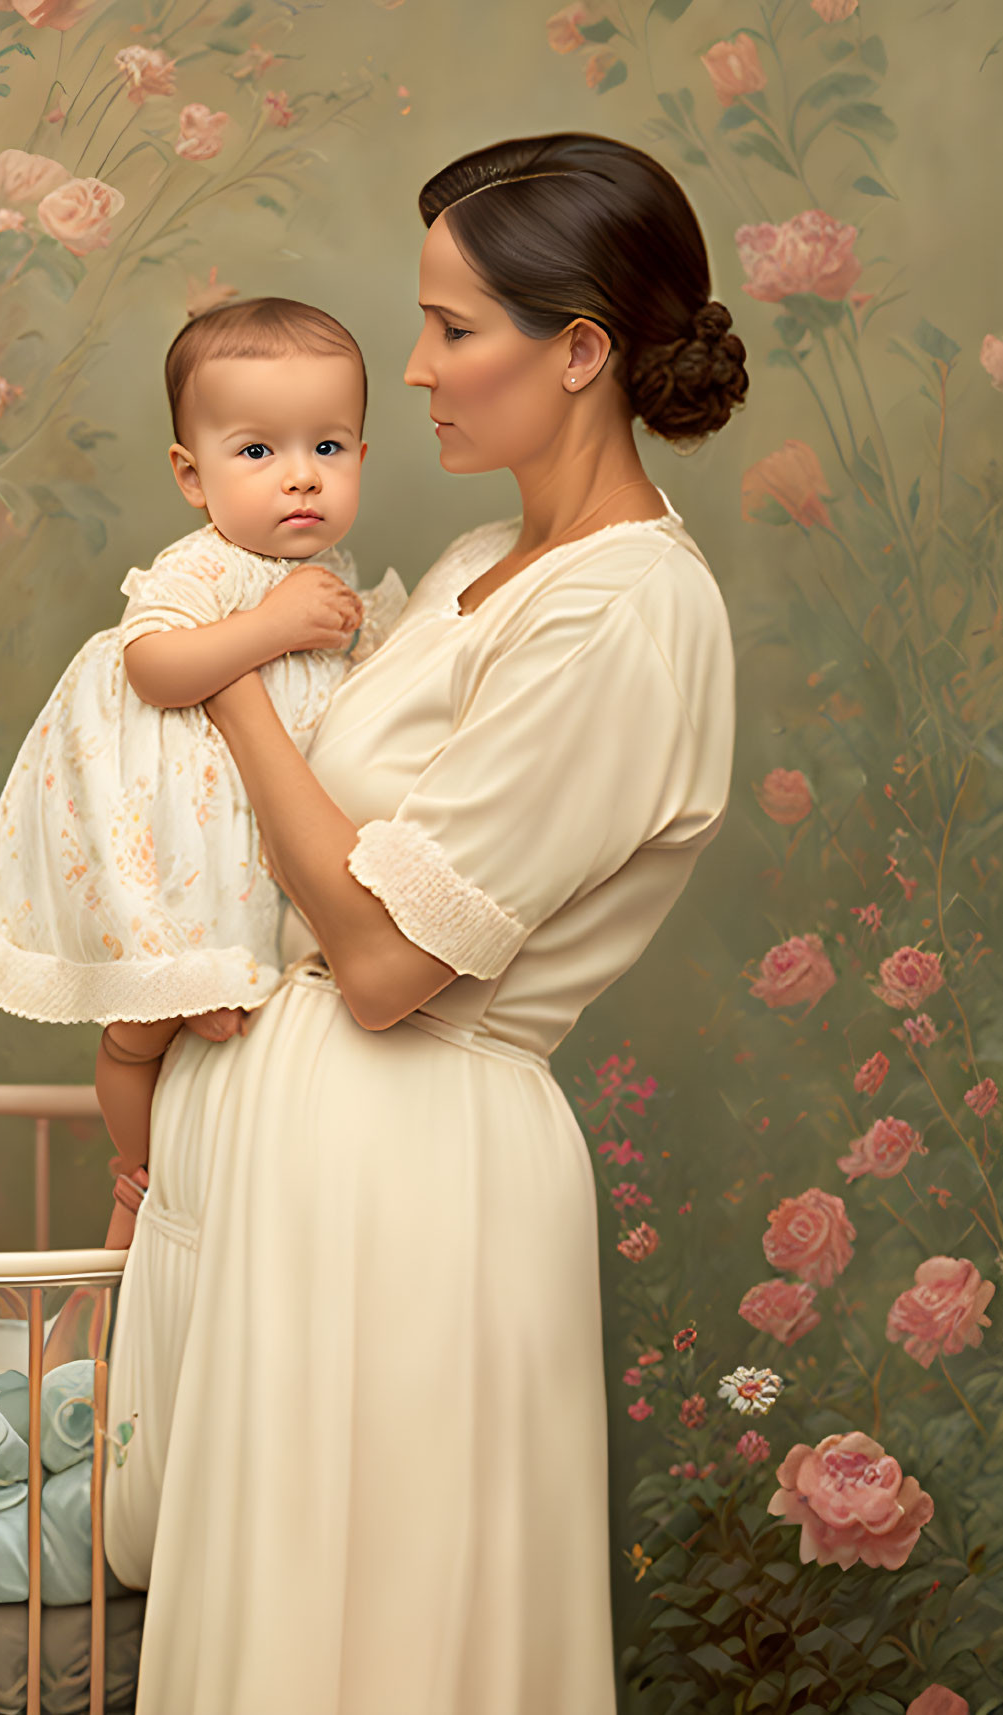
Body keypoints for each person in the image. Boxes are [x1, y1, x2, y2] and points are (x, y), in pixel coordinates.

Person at [104, 130, 745, 1714]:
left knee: (376, 1638)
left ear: (579, 348)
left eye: (456, 328)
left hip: (407, 1174)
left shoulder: (627, 613)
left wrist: (234, 678)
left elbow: (391, 963)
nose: (417, 367)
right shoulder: (478, 561)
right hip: (302, 1156)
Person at [0, 299, 407, 1246]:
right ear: (191, 477)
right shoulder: (202, 568)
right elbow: (152, 664)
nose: (299, 478)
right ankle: (140, 1173)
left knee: (244, 1020)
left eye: (329, 447)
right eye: (256, 453)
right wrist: (277, 625)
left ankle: (186, 1186)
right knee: (146, 1032)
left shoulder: (334, 574)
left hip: (256, 844)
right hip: (179, 849)